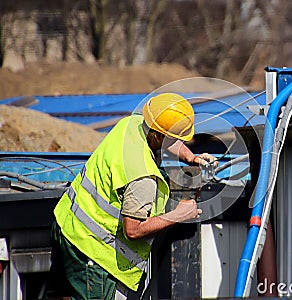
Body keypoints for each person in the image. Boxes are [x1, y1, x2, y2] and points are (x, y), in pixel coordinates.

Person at [46, 93, 216, 299]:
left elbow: (164, 138)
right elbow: (133, 230)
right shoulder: (142, 177)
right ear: (161, 137)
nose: (177, 142)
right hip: (92, 253)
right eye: (175, 138)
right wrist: (178, 215)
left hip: (66, 224)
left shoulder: (131, 124)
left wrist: (191, 157)